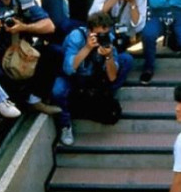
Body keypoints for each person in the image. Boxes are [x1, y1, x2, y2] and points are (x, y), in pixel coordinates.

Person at [52, 12, 133, 146]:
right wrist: (88, 48)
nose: (102, 37)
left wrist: (108, 57)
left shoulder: (109, 39)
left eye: (105, 34)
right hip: (74, 76)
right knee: (58, 90)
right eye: (99, 34)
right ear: (90, 31)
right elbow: (68, 68)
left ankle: (104, 96)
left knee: (126, 60)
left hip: (95, 78)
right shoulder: (76, 37)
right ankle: (65, 125)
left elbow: (112, 76)